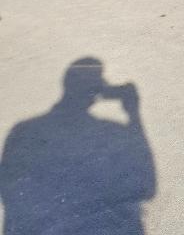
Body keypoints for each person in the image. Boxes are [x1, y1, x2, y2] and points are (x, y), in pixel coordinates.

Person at [0, 58, 156, 235]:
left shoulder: (23, 132)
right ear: (99, 91)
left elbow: (10, 198)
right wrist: (134, 114)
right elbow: (147, 186)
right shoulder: (112, 133)